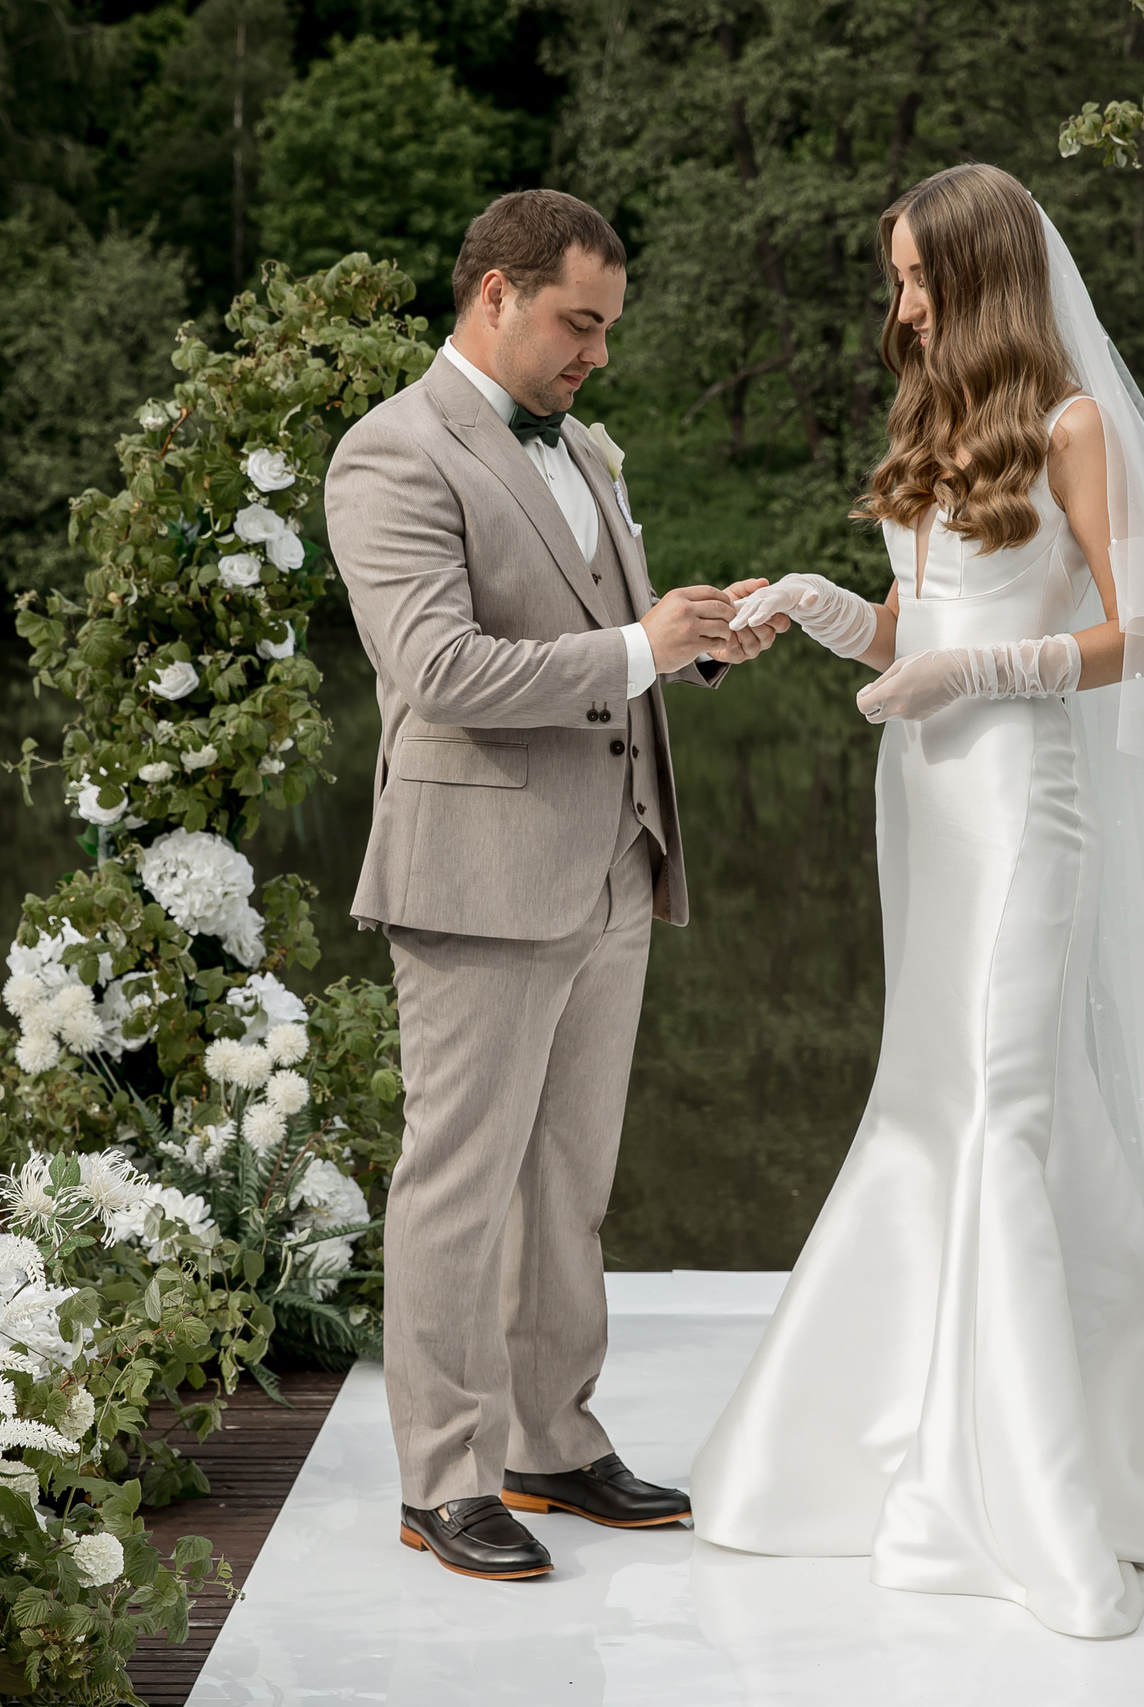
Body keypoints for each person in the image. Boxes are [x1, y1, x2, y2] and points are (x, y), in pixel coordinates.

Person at [691, 162, 1144, 1637]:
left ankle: (1039, 1490)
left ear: (986, 277)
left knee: (1008, 1105)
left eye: (920, 278)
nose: (901, 305)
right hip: (925, 806)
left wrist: (981, 674)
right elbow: (913, 623)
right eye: (896, 279)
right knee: (933, 1102)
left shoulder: (1076, 426)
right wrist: (809, 605)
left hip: (1025, 803)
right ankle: (950, 1439)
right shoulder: (932, 421)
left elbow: (1142, 638)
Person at [324, 189, 784, 1582]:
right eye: (579, 324)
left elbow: (602, 637)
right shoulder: (392, 454)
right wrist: (639, 646)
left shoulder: (588, 444)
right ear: (495, 298)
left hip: (613, 865)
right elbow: (444, 673)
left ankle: (550, 1439)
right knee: (457, 1183)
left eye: (608, 329)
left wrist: (695, 644)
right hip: (475, 874)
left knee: (567, 1185)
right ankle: (442, 1478)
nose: (597, 354)